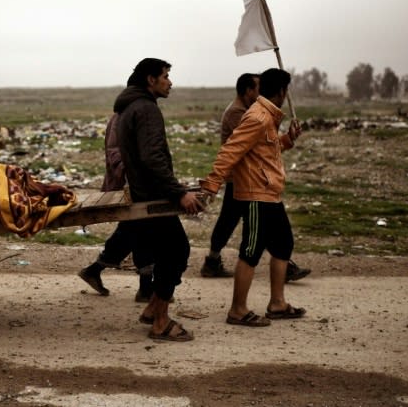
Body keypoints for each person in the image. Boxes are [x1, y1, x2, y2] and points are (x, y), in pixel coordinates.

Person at [200, 68, 306, 327]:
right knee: (251, 250)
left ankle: (277, 304)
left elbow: (265, 150)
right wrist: (212, 183)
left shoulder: (268, 117)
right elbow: (231, 150)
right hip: (256, 194)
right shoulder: (258, 117)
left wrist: (288, 140)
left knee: (283, 245)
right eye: (286, 91)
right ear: (282, 91)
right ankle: (237, 310)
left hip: (270, 193)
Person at [114, 58, 203, 342]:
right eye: (165, 76)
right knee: (177, 251)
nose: (170, 81)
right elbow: (152, 158)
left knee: (168, 253)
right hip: (153, 195)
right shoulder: (146, 109)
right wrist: (178, 193)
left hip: (144, 192)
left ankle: (153, 309)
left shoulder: (130, 107)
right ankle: (161, 322)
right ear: (150, 80)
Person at [78, 114, 155, 302]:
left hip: (136, 186)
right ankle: (145, 288)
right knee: (140, 230)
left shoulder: (135, 113)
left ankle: (94, 270)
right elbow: (115, 151)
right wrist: (130, 175)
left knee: (133, 230)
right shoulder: (124, 116)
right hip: (129, 187)